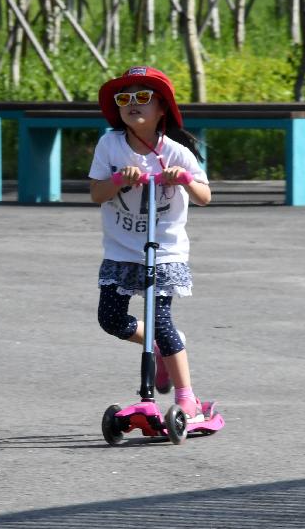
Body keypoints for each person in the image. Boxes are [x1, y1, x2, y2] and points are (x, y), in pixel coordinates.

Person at [88, 66, 212, 422]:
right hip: (121, 249)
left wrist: (185, 179)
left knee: (160, 319)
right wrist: (117, 180)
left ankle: (188, 399)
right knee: (110, 319)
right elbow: (97, 193)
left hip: (164, 249)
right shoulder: (109, 145)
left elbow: (205, 196)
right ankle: (157, 346)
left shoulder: (176, 151)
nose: (132, 104)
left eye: (142, 97)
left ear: (161, 108)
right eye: (124, 98)